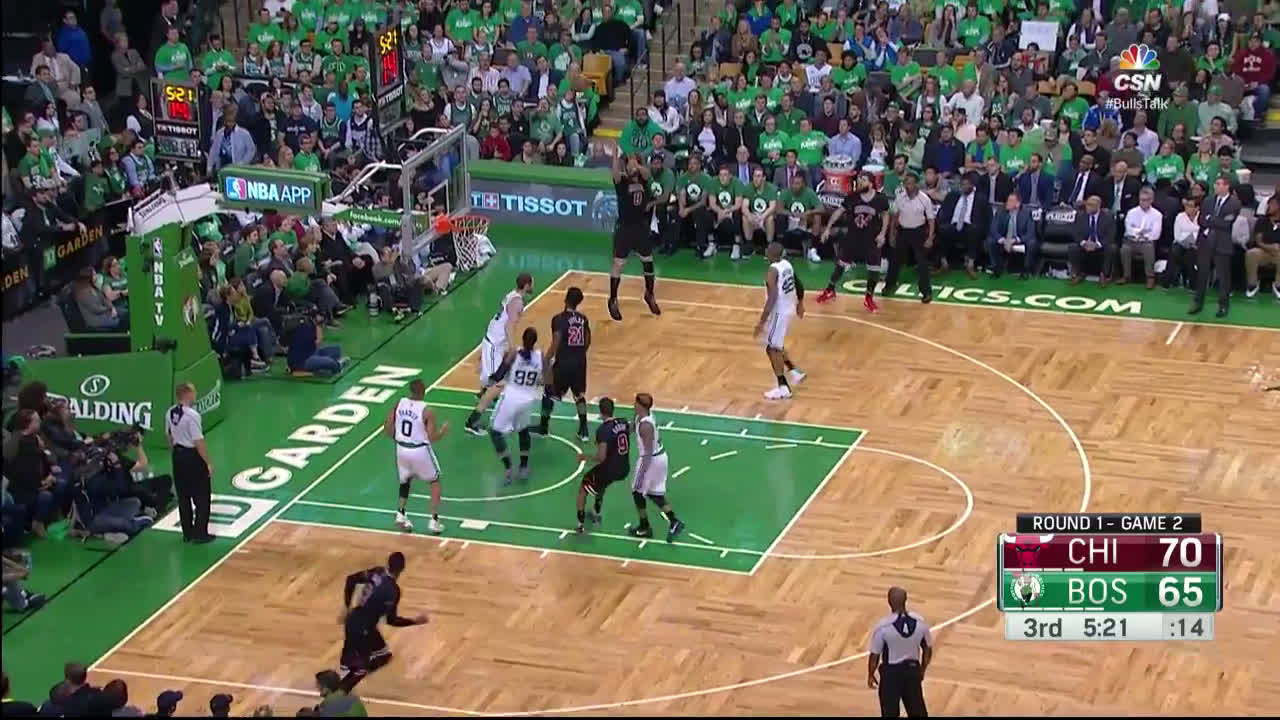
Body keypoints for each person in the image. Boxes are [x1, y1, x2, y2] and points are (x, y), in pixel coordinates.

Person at [338, 551, 428, 692]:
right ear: (402, 568)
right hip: (362, 629)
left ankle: (349, 677)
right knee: (360, 668)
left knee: (383, 656)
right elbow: (391, 620)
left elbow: (351, 580)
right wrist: (415, 621)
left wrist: (347, 607)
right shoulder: (392, 590)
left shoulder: (377, 572)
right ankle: (339, 692)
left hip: (357, 621)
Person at [463, 272, 534, 435]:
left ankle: (485, 392)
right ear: (527, 285)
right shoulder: (517, 301)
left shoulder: (512, 295)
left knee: (500, 378)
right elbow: (509, 326)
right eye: (532, 284)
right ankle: (472, 421)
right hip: (495, 344)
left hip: (496, 342)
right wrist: (512, 346)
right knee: (499, 384)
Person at [478, 327, 543, 484]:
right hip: (527, 400)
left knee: (494, 431)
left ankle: (508, 467)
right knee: (523, 431)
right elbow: (544, 380)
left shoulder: (514, 354)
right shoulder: (540, 357)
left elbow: (499, 374)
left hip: (511, 399)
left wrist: (490, 379)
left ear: (523, 339)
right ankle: (524, 466)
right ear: (535, 342)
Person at [817, 170, 889, 312]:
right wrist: (827, 228)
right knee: (840, 265)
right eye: (859, 180)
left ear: (871, 183)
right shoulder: (852, 197)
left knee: (874, 270)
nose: (860, 183)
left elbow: (886, 215)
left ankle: (869, 297)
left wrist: (882, 234)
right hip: (853, 237)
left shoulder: (880, 199)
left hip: (871, 239)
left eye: (863, 180)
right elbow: (839, 211)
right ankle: (830, 290)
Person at [384, 379, 448, 535]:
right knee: (434, 482)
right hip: (419, 450)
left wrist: (398, 439)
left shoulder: (399, 403)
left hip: (401, 448)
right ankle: (434, 520)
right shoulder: (427, 411)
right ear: (424, 391)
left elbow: (387, 426)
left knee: (405, 480)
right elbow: (432, 438)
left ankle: (400, 514)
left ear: (411, 390)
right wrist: (443, 430)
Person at [607, 146, 662, 321]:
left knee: (648, 261)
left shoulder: (644, 179)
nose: (631, 165)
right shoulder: (622, 181)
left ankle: (649, 294)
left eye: (635, 162)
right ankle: (613, 299)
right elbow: (615, 174)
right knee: (618, 263)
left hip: (640, 226)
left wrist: (637, 165)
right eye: (629, 162)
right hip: (625, 227)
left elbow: (647, 174)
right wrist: (615, 156)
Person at [752, 242, 807, 399]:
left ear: (769, 254)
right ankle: (794, 371)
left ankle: (783, 388)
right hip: (788, 309)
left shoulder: (772, 270)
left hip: (779, 312)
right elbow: (799, 284)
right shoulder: (787, 265)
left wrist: (761, 322)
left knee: (772, 349)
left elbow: (773, 297)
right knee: (776, 344)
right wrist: (800, 303)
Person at [867, 586, 932, 718]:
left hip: (891, 675)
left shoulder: (883, 627)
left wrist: (871, 674)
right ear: (905, 600)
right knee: (918, 712)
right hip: (912, 672)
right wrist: (923, 669)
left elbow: (875, 655)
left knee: (889, 713)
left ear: (889, 602)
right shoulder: (920, 622)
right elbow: (927, 648)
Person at [537, 287, 591, 440]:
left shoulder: (558, 319)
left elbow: (556, 342)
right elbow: (588, 340)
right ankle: (584, 430)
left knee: (548, 392)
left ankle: (543, 427)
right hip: (580, 362)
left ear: (565, 299)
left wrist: (546, 360)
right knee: (579, 395)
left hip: (564, 363)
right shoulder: (583, 319)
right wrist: (578, 353)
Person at [628, 393, 684, 542]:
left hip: (651, 459)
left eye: (635, 403)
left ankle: (644, 526)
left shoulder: (646, 426)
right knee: (653, 493)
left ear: (640, 406)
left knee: (637, 492)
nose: (633, 405)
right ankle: (674, 521)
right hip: (658, 457)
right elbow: (632, 427)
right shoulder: (641, 416)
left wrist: (643, 471)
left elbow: (647, 451)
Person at [166, 382, 213, 544]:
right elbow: (198, 441)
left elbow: (169, 436)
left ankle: (187, 533)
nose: (195, 394)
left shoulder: (170, 412)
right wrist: (207, 462)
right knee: (202, 496)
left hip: (178, 456)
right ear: (187, 394)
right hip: (192, 457)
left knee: (183, 497)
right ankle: (200, 533)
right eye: (193, 392)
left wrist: (175, 453)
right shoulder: (192, 415)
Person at [574, 396, 629, 534]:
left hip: (610, 468)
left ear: (600, 411)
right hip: (624, 467)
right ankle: (596, 511)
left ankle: (580, 524)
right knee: (601, 481)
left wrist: (584, 457)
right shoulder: (624, 423)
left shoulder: (602, 430)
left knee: (583, 487)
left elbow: (601, 457)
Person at [1191, 176, 1241, 318]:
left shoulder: (1234, 203)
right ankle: (1198, 303)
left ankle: (1223, 306)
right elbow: (1201, 220)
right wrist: (1213, 220)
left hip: (1222, 243)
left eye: (1219, 184)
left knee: (1223, 276)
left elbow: (1227, 224)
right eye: (1215, 184)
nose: (1216, 187)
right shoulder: (1207, 201)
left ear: (1226, 186)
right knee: (1202, 274)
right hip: (1205, 241)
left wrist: (1210, 219)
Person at [885, 172, 936, 303]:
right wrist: (892, 235)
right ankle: (889, 284)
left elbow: (931, 220)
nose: (908, 186)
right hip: (903, 231)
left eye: (911, 183)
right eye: (906, 184)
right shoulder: (900, 197)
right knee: (894, 259)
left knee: (922, 262)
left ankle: (926, 292)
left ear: (916, 184)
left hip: (918, 232)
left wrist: (930, 237)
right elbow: (894, 217)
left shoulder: (924, 199)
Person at [985, 192, 1039, 279]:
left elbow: (1030, 233)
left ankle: (1026, 270)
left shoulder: (1027, 213)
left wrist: (1015, 240)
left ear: (1018, 204)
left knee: (1032, 242)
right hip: (1004, 239)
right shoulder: (1000, 211)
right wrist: (1002, 239)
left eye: (1010, 201)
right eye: (1008, 200)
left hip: (1019, 240)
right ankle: (996, 268)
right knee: (991, 240)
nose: (1007, 203)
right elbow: (993, 228)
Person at [1118, 186, 1163, 288]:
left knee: (1148, 247)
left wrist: (1143, 235)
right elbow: (1128, 229)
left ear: (1151, 200)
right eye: (1141, 200)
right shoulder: (1132, 212)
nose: (1143, 202)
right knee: (1125, 249)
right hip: (1132, 240)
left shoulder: (1157, 215)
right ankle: (1126, 276)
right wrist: (1139, 233)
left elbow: (1156, 233)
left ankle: (1150, 277)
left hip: (1147, 242)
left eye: (1146, 200)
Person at [1069, 195, 1118, 286]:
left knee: (1111, 248)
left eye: (1091, 205)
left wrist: (1097, 245)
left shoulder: (1108, 217)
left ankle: (1104, 275)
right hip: (1085, 244)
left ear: (1098, 206)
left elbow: (1110, 236)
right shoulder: (1080, 216)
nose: (1087, 207)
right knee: (1073, 247)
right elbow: (1075, 233)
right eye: (1087, 204)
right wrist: (1084, 243)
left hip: (1100, 245)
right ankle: (1077, 273)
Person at [1245, 195, 1280, 299]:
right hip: (1263, 251)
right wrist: (1270, 247)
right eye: (1268, 204)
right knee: (1251, 253)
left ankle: (1278, 285)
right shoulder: (1262, 221)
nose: (1269, 206)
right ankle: (1253, 284)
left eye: (1272, 204)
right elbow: (1259, 241)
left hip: (1278, 253)